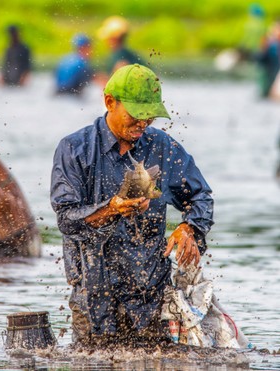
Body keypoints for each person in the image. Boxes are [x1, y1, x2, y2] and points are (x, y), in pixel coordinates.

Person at [50, 64, 214, 345]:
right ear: (110, 102)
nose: (143, 123)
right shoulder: (74, 149)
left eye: (150, 115)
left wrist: (189, 227)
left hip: (150, 296)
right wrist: (111, 209)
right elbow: (66, 219)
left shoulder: (161, 146)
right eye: (136, 115)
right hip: (93, 296)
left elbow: (200, 196)